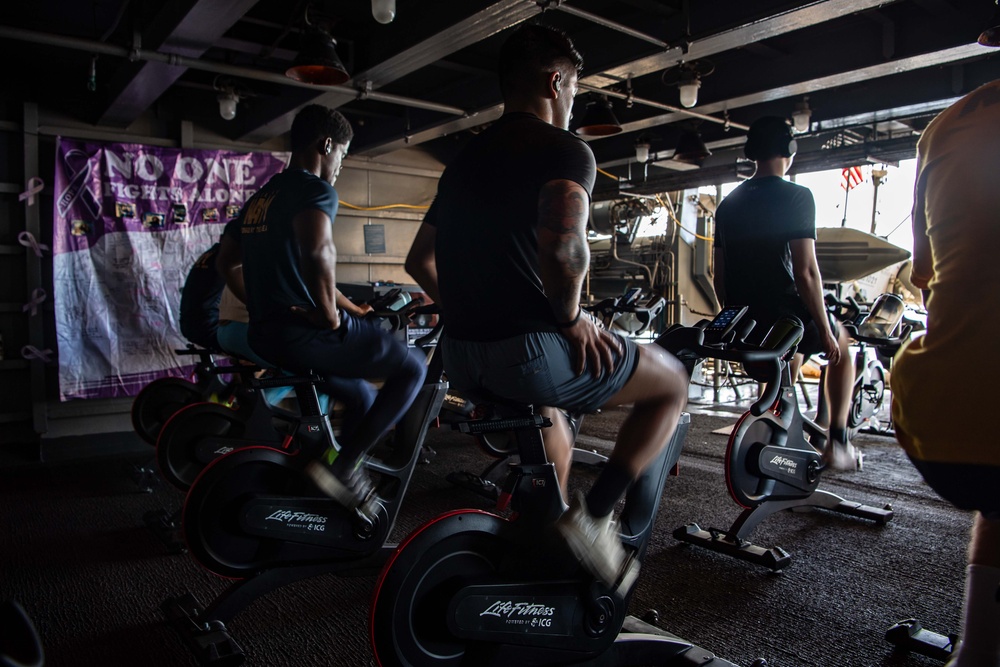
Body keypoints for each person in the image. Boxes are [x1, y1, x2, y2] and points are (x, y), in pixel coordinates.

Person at [404, 23, 688, 592]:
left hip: (461, 356)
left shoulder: (463, 161)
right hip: (529, 349)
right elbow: (563, 247)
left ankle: (542, 535)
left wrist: (470, 313)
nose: (573, 102)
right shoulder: (565, 150)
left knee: (552, 416)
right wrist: (570, 319)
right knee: (672, 381)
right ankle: (596, 519)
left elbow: (418, 261)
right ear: (556, 81)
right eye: (575, 90)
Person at [216, 104, 426, 519]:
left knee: (362, 395)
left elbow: (227, 263)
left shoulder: (261, 197)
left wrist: (260, 305)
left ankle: (328, 477)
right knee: (413, 367)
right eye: (343, 156)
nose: (340, 167)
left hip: (266, 334)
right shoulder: (313, 188)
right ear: (326, 145)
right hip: (305, 332)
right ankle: (345, 468)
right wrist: (330, 316)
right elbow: (319, 250)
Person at [891, 80, 1000, 667]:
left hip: (935, 411)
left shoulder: (946, 124)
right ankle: (834, 442)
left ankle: (978, 651)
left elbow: (925, 275)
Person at [713, 115, 859, 471]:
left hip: (746, 322)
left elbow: (719, 275)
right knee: (843, 345)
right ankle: (838, 440)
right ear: (789, 149)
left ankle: (781, 437)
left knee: (789, 358)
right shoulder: (797, 196)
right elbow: (806, 271)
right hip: (784, 315)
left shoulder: (728, 204)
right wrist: (825, 330)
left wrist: (734, 321)